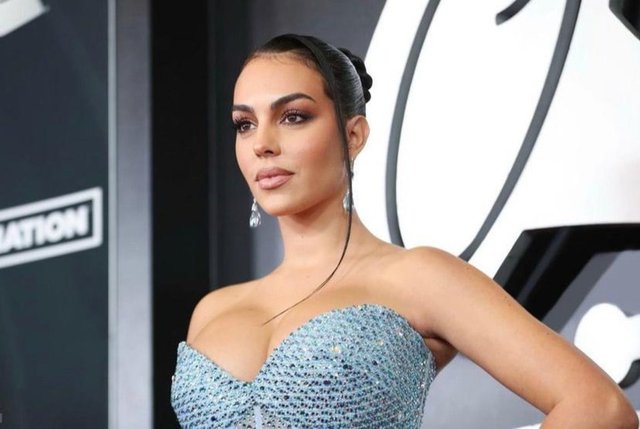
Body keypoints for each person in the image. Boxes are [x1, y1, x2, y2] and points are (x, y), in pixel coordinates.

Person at [170, 33, 638, 428]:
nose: (262, 144)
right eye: (245, 124)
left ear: (353, 135)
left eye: (293, 117)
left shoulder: (417, 278)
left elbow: (600, 408)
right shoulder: (212, 310)